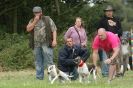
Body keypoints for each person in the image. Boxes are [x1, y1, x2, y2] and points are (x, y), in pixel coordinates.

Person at [26, 6, 57, 80]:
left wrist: (54, 40)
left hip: (46, 43)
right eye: (35, 13)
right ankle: (39, 78)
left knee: (49, 60)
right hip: (36, 44)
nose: (37, 14)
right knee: (38, 61)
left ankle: (53, 77)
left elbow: (54, 29)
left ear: (41, 12)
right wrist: (35, 21)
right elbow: (28, 29)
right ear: (33, 13)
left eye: (38, 12)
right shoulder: (32, 20)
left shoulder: (47, 19)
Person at [97, 5, 122, 76]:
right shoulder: (102, 21)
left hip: (116, 41)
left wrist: (117, 34)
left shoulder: (117, 19)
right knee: (105, 57)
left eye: (110, 11)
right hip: (106, 42)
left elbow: (120, 29)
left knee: (116, 56)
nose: (109, 13)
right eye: (107, 11)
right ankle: (105, 73)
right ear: (105, 12)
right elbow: (99, 30)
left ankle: (118, 72)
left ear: (112, 12)